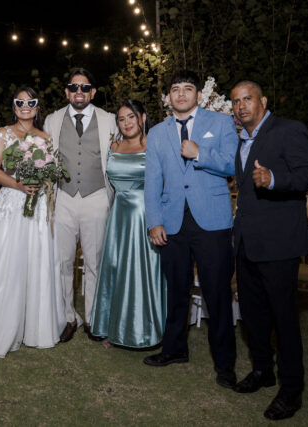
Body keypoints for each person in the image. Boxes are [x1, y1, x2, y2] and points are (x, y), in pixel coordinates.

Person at [230, 81, 308, 420]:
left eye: (247, 99)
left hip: (279, 244)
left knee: (284, 319)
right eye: (235, 101)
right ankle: (262, 371)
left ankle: (291, 389)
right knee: (252, 315)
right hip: (248, 244)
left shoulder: (288, 130)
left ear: (263, 101)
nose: (241, 106)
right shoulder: (242, 140)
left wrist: (275, 179)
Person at [143, 70, 238, 389]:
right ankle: (174, 349)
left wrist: (200, 154)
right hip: (172, 221)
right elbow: (152, 180)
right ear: (168, 96)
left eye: (187, 88)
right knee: (176, 290)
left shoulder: (221, 122)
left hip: (212, 220)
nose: (181, 94)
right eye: (175, 89)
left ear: (198, 94)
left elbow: (233, 164)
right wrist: (154, 220)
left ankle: (224, 363)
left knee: (217, 293)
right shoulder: (157, 133)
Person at [0, 87, 65, 357]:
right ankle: (0, 324)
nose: (25, 106)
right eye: (20, 102)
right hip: (11, 204)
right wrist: (18, 184)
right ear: (14, 106)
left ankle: (34, 326)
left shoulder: (46, 137)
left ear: (37, 107)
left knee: (36, 261)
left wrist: (44, 181)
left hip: (39, 207)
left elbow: (51, 170)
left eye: (31, 102)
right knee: (7, 263)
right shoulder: (2, 134)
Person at [43, 68, 118, 343]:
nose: (79, 92)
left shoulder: (109, 120)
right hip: (62, 197)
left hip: (96, 196)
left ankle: (93, 318)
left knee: (95, 261)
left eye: (85, 87)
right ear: (66, 92)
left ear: (93, 92)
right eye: (74, 87)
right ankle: (68, 317)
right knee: (62, 261)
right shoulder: (52, 120)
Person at [91, 100, 166, 349]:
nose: (127, 123)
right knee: (117, 268)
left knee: (141, 271)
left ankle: (146, 331)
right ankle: (115, 329)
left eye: (131, 117)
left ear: (142, 117)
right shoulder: (114, 146)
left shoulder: (154, 144)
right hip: (119, 216)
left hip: (145, 215)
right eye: (121, 119)